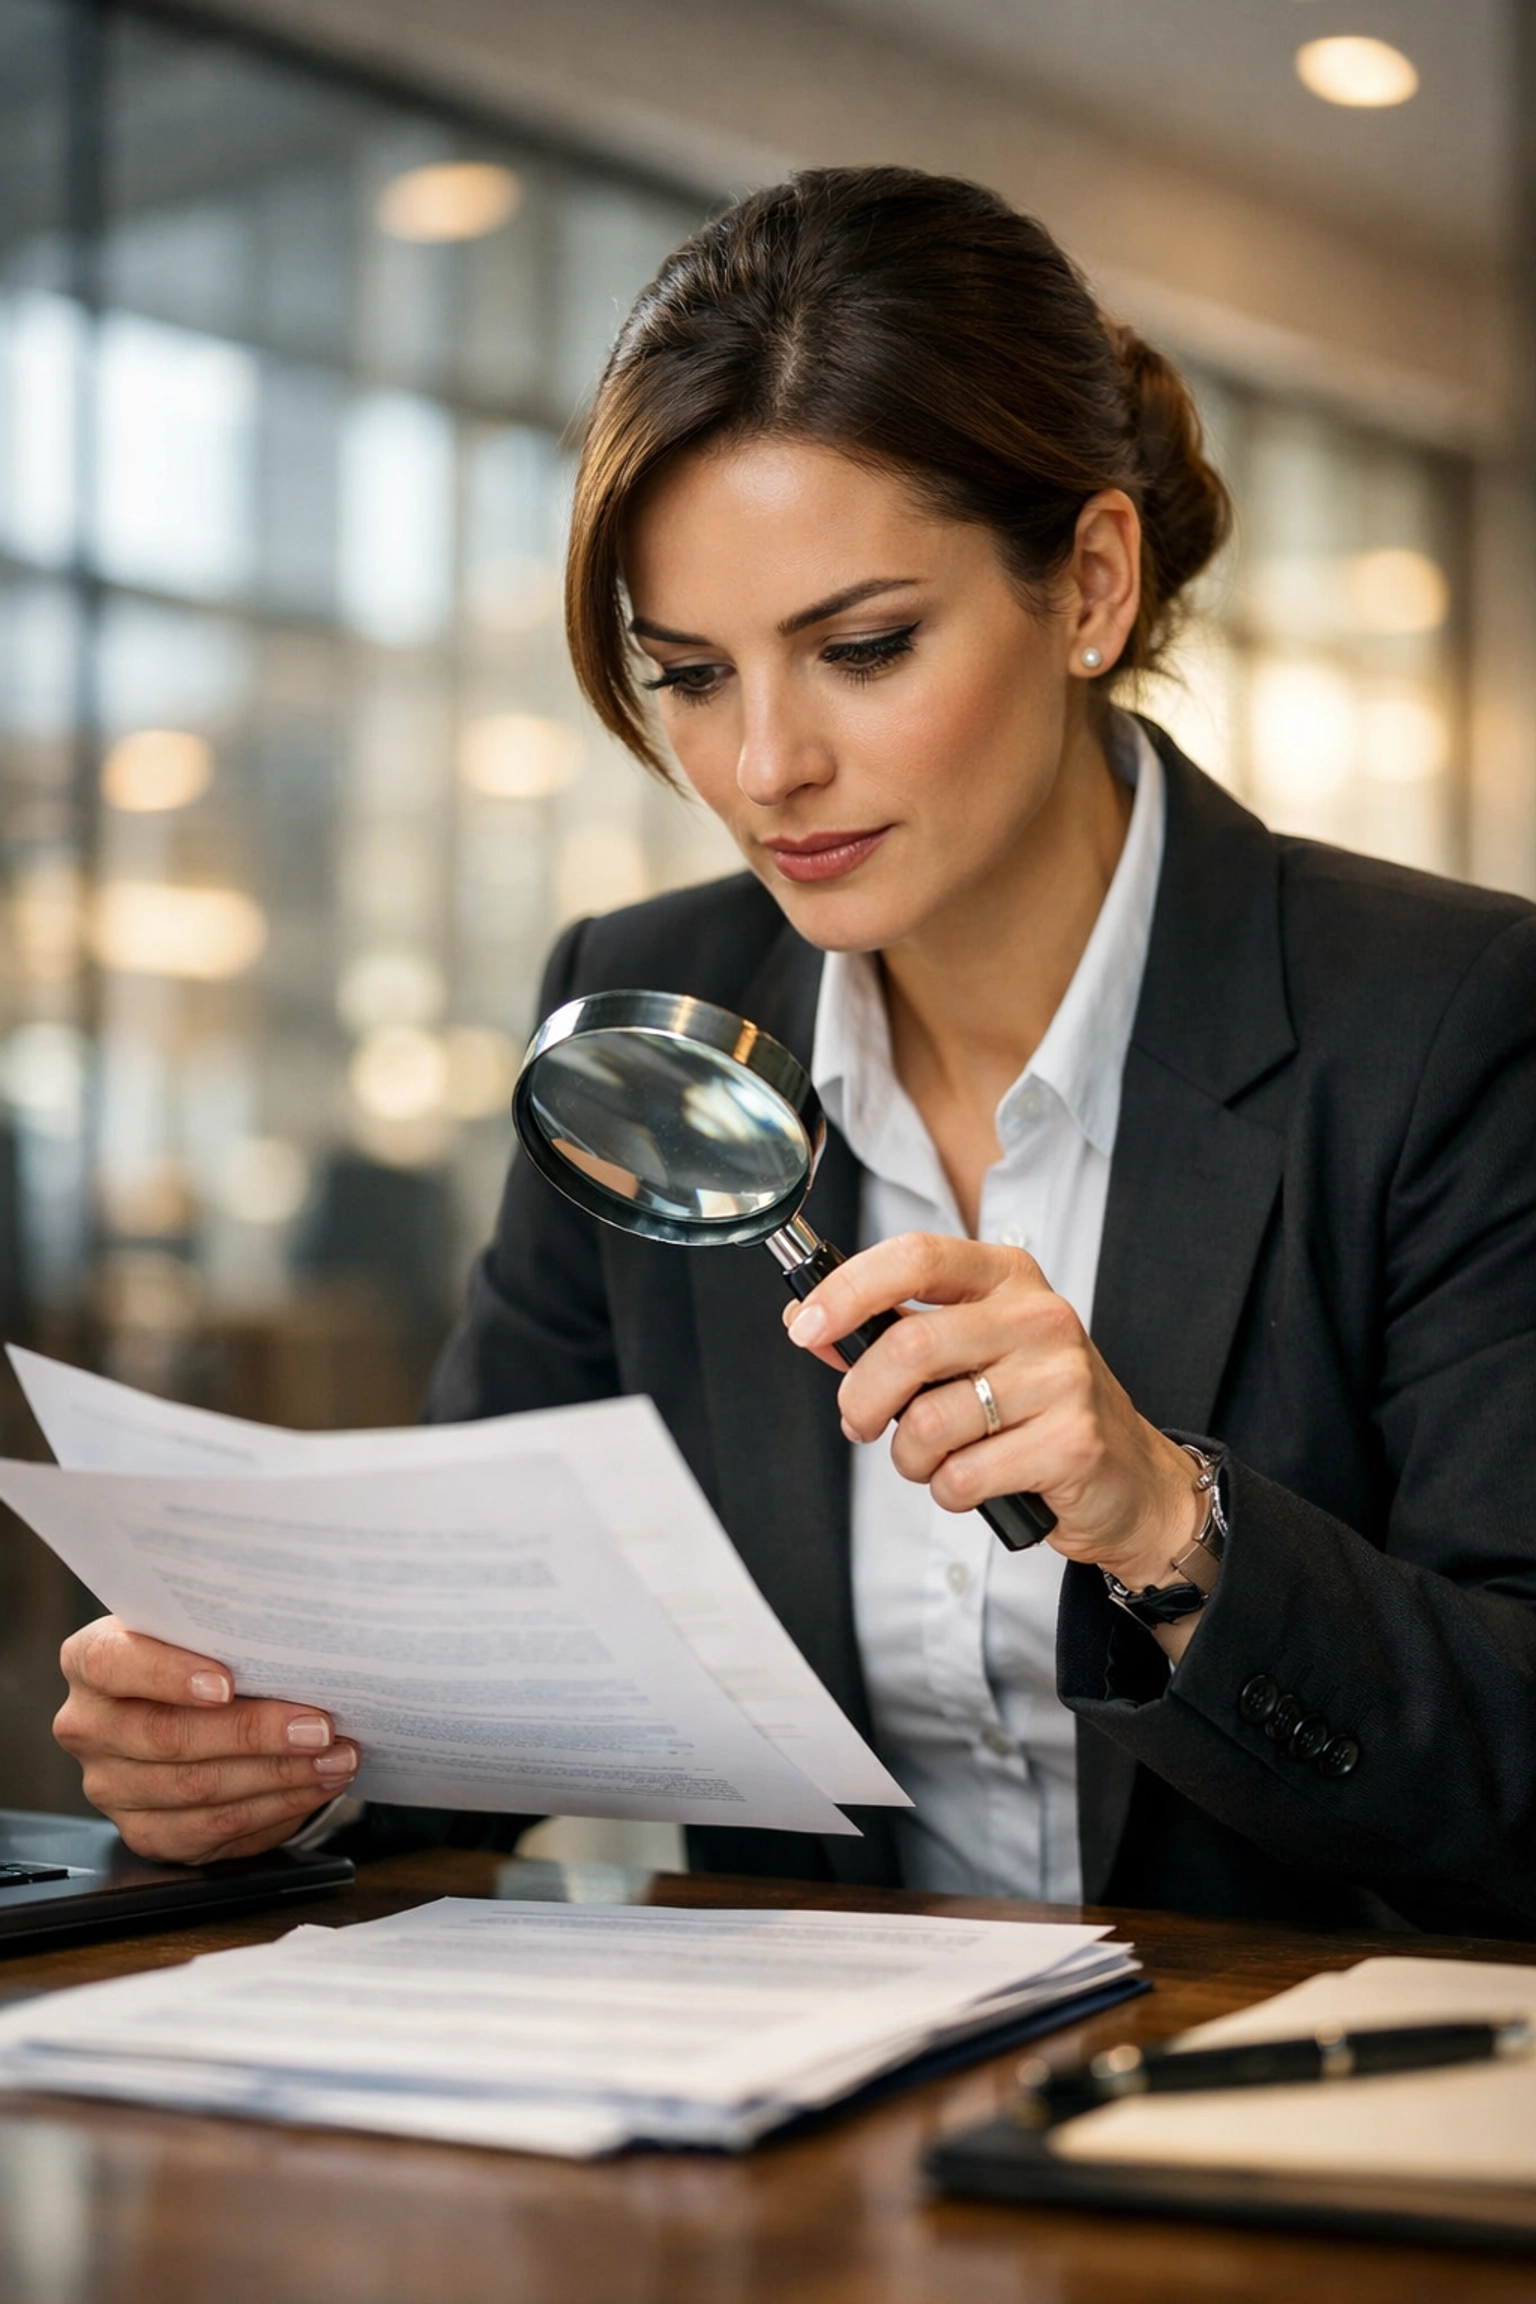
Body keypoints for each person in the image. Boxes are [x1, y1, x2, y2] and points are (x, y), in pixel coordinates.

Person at [54, 169, 1536, 1932]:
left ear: (1091, 585)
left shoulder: (1444, 1022)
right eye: (688, 674)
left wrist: (1167, 1524)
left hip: (1273, 2129)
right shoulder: (643, 1009)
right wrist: (266, 1765)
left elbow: (1514, 1760)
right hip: (794, 2138)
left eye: (861, 649)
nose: (763, 767)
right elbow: (470, 1712)